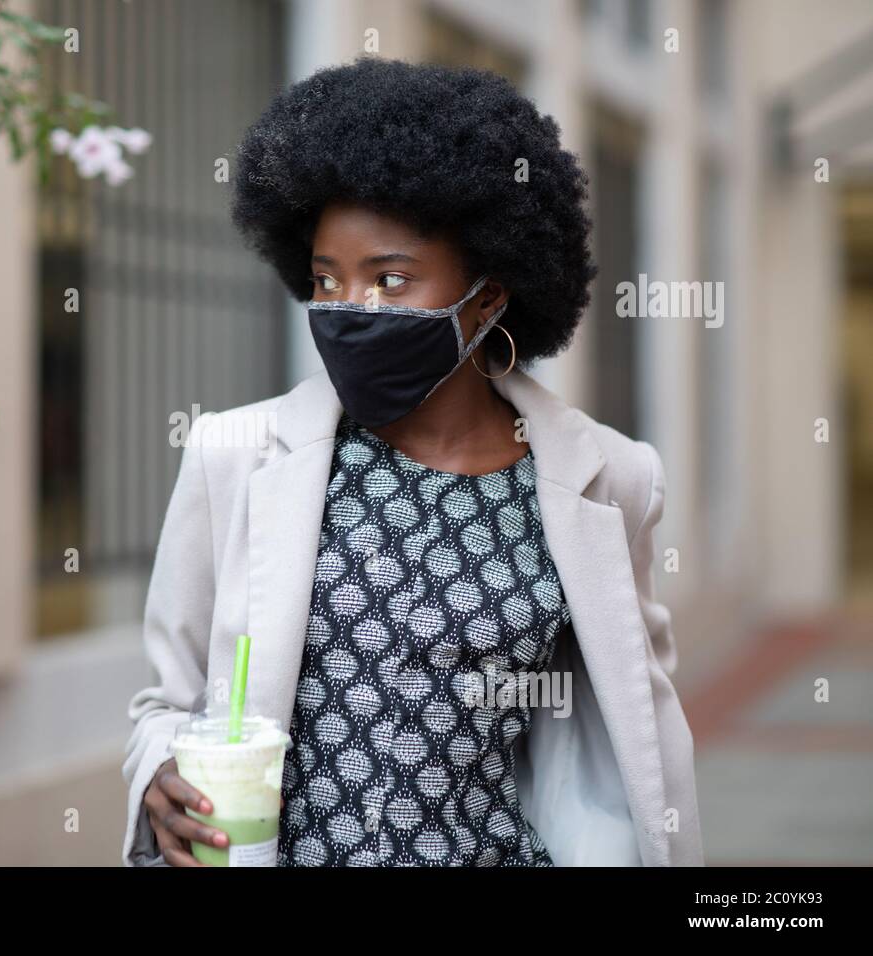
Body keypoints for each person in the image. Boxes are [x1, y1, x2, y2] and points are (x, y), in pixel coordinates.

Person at [122, 57, 704, 866]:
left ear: (490, 296)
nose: (351, 310)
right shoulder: (234, 458)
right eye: (327, 280)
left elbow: (639, 733)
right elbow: (166, 702)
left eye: (390, 280)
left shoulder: (606, 480)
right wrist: (159, 770)